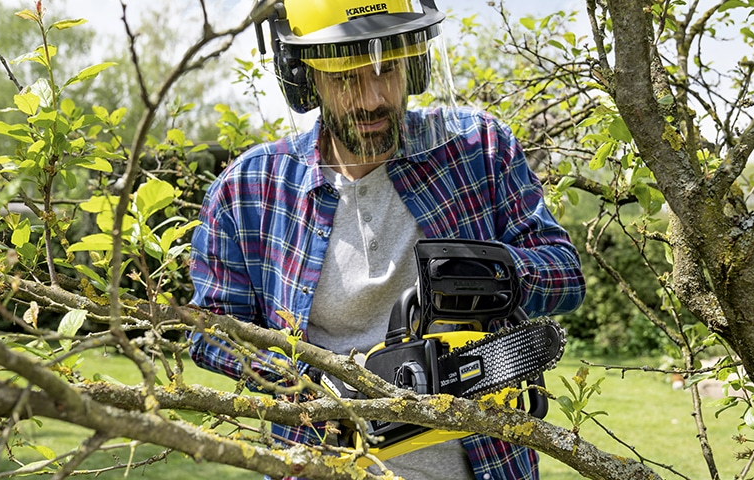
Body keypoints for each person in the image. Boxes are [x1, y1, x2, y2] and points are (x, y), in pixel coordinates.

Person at [188, 0, 586, 478]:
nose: (372, 97)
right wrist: (308, 382)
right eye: (346, 78)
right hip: (326, 461)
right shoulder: (248, 187)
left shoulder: (479, 148)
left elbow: (564, 273)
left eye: (388, 70)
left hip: (482, 462)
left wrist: (501, 275)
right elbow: (212, 329)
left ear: (415, 66)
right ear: (303, 78)